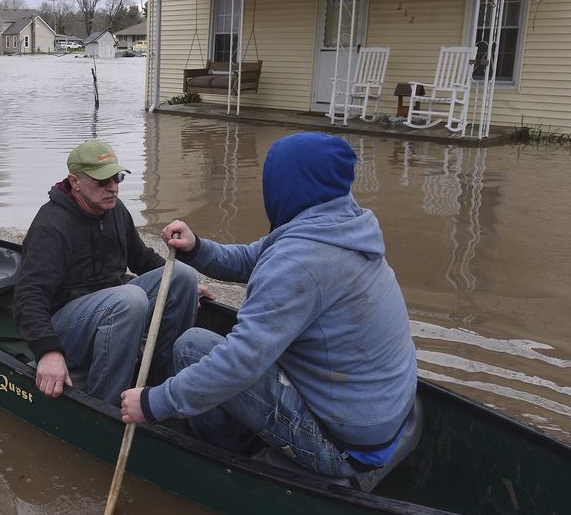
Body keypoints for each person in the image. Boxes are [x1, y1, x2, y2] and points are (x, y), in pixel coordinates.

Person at [120, 132, 418, 480]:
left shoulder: (300, 260)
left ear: (287, 187)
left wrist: (153, 402)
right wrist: (198, 248)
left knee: (192, 348)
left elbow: (242, 360)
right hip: (386, 416)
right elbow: (256, 257)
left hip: (343, 446)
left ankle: (223, 465)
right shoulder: (343, 225)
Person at [13, 139, 206, 407]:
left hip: (114, 306)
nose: (113, 187)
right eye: (102, 181)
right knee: (129, 300)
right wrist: (48, 351)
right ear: (75, 181)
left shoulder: (114, 210)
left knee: (181, 276)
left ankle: (162, 382)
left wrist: (186, 286)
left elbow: (141, 258)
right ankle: (108, 404)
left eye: (117, 178)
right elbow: (29, 296)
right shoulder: (51, 226)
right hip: (67, 325)